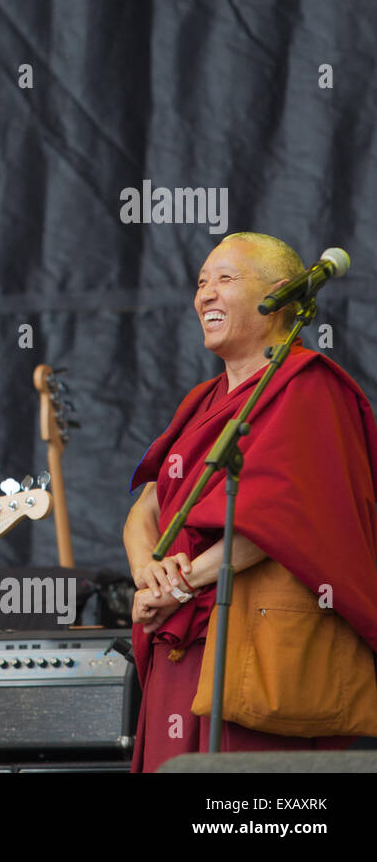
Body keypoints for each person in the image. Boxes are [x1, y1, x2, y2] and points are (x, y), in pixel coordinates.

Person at [123, 232, 377, 771]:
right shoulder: (201, 403)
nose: (205, 295)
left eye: (225, 280)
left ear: (282, 295)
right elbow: (146, 510)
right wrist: (148, 572)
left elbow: (281, 517)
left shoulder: (310, 387)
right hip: (180, 637)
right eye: (200, 283)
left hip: (250, 648)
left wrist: (179, 582)